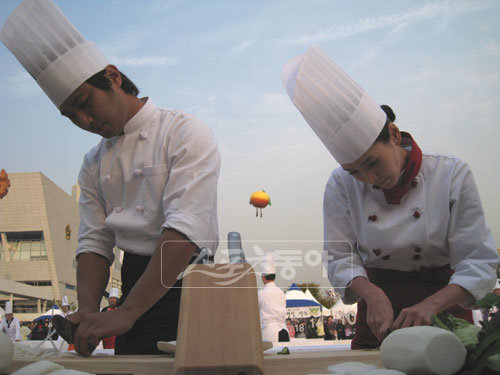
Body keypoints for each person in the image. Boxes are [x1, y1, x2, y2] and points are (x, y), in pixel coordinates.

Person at [1, 0, 219, 356]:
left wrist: (128, 312)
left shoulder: (184, 131)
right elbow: (95, 243)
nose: (84, 121)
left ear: (113, 77)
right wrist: (87, 311)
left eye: (85, 103)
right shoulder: (92, 163)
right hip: (134, 284)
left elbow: (185, 230)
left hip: (186, 283)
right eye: (71, 115)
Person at [282, 45, 499, 349]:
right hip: (377, 316)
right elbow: (340, 257)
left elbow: (478, 261)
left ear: (394, 135)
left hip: (446, 309)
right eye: (354, 171)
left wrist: (431, 306)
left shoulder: (451, 174)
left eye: (372, 163)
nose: (369, 179)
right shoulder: (340, 185)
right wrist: (371, 293)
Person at [258, 254, 289, 342]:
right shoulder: (281, 292)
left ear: (263, 278)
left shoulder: (261, 293)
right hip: (284, 329)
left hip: (269, 332)